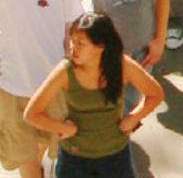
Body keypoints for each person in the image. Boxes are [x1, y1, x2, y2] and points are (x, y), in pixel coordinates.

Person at [23, 12, 164, 178]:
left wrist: (132, 119)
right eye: (72, 41)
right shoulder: (65, 70)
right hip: (74, 158)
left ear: (100, 46)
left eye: (80, 43)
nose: (73, 48)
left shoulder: (121, 65)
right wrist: (64, 128)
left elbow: (155, 94)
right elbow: (31, 114)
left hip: (115, 156)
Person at [0, 0, 83, 178]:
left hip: (53, 85)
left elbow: (73, 28)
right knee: (24, 158)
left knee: (57, 151)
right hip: (12, 86)